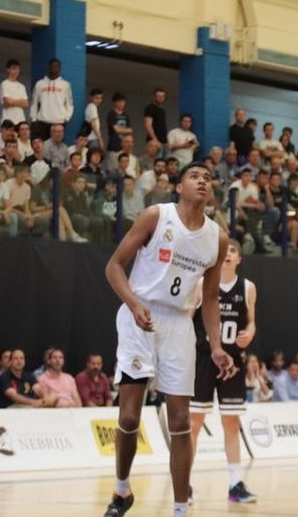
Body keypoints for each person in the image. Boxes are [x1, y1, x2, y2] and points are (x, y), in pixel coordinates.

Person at [102, 163, 233, 517]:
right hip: (139, 317)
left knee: (179, 422)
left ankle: (180, 509)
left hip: (179, 325)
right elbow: (113, 266)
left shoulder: (217, 238)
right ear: (179, 187)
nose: (203, 180)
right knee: (129, 417)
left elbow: (209, 298)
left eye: (208, 177)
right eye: (195, 176)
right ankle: (121, 490)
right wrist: (133, 304)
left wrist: (217, 346)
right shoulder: (155, 217)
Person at [189, 239, 258, 504]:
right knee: (194, 423)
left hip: (233, 362)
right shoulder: (202, 283)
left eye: (233, 251)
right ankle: (186, 484)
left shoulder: (248, 287)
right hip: (204, 358)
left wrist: (250, 333)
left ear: (239, 259)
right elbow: (187, 317)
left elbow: (251, 323)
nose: (228, 254)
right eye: (224, 251)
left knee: (231, 422)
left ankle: (235, 484)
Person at [31, 58, 74, 139]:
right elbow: (34, 103)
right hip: (42, 122)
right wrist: (34, 119)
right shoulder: (40, 84)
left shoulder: (65, 85)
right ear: (48, 67)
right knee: (42, 149)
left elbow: (70, 104)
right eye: (52, 66)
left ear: (60, 68)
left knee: (56, 149)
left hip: (58, 122)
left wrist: (66, 118)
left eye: (56, 66)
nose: (54, 68)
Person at [0, 59, 30, 127]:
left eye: (18, 68)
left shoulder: (22, 86)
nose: (16, 71)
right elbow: (8, 101)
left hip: (21, 119)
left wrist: (12, 102)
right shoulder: (4, 84)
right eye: (13, 68)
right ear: (8, 69)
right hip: (8, 119)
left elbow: (26, 104)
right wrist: (20, 102)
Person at [143, 88, 168, 152]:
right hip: (154, 142)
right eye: (158, 96)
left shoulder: (162, 110)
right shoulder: (150, 107)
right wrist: (155, 140)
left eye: (162, 96)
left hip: (163, 142)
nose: (160, 98)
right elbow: (148, 125)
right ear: (154, 97)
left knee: (163, 161)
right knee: (155, 161)